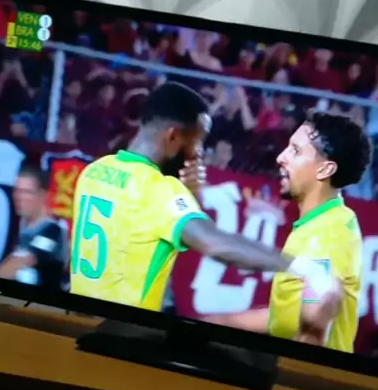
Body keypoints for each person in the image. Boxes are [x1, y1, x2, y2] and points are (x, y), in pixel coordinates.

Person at [70, 82, 336, 312]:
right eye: (198, 140)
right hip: (123, 334)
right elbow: (215, 244)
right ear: (172, 136)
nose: (199, 153)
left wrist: (189, 192)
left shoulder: (94, 171)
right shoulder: (160, 190)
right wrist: (301, 266)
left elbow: (142, 230)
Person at [204, 113, 372, 352]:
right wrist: (219, 323)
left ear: (325, 169)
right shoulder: (323, 223)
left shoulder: (327, 235)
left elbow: (315, 328)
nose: (281, 157)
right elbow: (286, 315)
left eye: (295, 151)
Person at [0, 165, 68, 289]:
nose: (18, 197)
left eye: (26, 192)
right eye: (16, 191)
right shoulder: (22, 230)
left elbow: (23, 261)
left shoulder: (53, 231)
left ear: (42, 195)